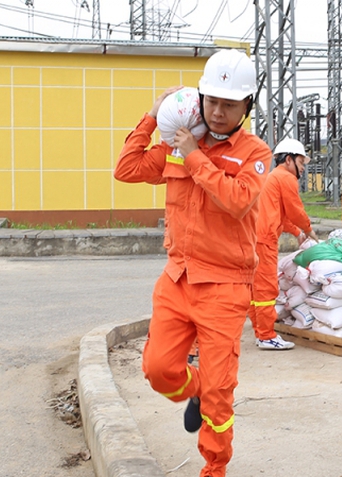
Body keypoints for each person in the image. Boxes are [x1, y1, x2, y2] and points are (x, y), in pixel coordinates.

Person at [113, 48, 271, 477]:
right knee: (159, 369)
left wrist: (194, 156)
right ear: (200, 99)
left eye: (229, 104)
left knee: (222, 397)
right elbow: (125, 169)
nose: (218, 113)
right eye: (212, 101)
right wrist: (152, 116)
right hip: (178, 278)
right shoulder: (179, 142)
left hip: (225, 286)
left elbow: (237, 201)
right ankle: (197, 388)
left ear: (247, 106)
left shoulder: (256, 153)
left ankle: (214, 468)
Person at [249, 138, 318, 350]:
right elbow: (295, 209)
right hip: (265, 239)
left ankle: (260, 330)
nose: (303, 168)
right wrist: (308, 229)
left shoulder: (274, 178)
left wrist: (297, 232)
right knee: (266, 288)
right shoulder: (286, 178)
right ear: (288, 159)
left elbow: (283, 215)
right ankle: (266, 335)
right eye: (301, 162)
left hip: (256, 237)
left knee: (254, 288)